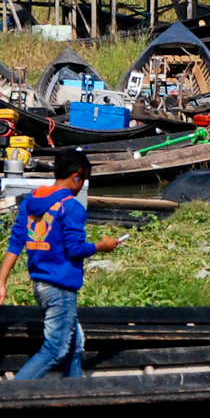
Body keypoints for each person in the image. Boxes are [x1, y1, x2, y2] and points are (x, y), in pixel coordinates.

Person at [0, 149, 123, 379]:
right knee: (55, 348)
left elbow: (16, 243)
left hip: (41, 285)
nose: (82, 185)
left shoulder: (31, 201)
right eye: (83, 179)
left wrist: (1, 281)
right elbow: (75, 249)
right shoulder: (71, 207)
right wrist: (101, 245)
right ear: (76, 176)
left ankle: (76, 396)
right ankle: (9, 395)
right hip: (60, 288)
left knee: (74, 347)